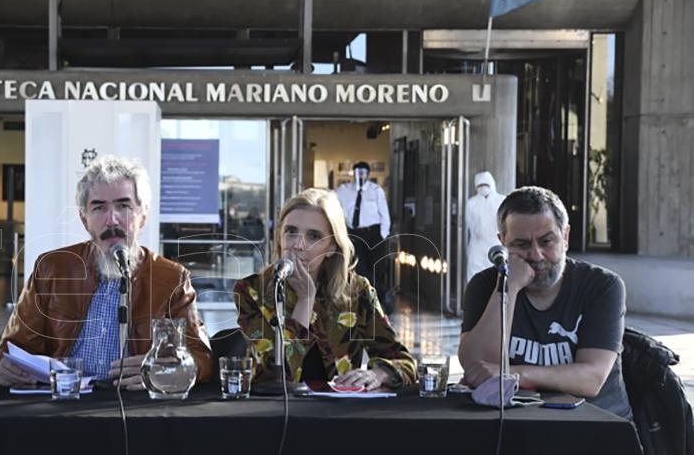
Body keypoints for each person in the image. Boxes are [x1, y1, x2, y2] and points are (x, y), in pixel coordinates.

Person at [0, 155, 212, 389]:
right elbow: (14, 347)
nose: (112, 219)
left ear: (143, 215)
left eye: (124, 206)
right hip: (66, 399)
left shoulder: (172, 278)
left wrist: (164, 371)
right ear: (84, 218)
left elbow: (200, 358)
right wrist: (2, 366)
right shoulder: (52, 268)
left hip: (135, 403)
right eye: (99, 207)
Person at [458, 186, 632, 419]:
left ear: (566, 237)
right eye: (521, 245)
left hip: (597, 424)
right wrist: (508, 288)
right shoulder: (484, 285)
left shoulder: (602, 286)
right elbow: (476, 367)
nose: (536, 255)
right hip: (518, 424)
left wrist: (514, 375)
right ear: (502, 243)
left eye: (546, 242)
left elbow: (591, 378)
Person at [234, 188, 415, 390]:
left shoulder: (357, 290)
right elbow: (276, 377)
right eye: (290, 231)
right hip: (272, 413)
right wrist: (305, 300)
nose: (298, 245)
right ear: (279, 237)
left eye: (313, 236)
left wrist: (378, 374)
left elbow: (405, 363)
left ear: (331, 247)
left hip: (336, 413)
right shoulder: (251, 290)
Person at [334, 161, 392, 308]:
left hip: (373, 233)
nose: (361, 175)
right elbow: (333, 206)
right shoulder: (343, 190)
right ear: (354, 173)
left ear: (368, 174)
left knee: (376, 267)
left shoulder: (376, 190)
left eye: (363, 172)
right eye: (358, 172)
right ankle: (378, 293)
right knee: (359, 267)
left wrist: (382, 235)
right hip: (354, 233)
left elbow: (384, 214)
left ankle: (378, 298)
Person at [465, 171, 506, 281]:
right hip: (477, 248)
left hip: (496, 245)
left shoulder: (502, 200)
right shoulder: (471, 203)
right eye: (480, 185)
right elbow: (467, 225)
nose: (483, 188)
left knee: (496, 279)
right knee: (474, 278)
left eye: (486, 185)